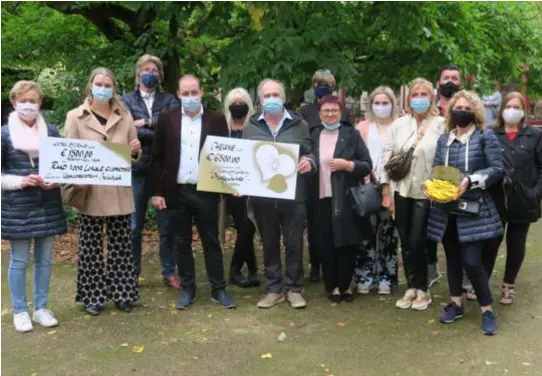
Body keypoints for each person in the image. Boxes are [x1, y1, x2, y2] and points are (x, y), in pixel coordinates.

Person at [151, 74, 235, 309]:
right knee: (181, 242)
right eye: (185, 93)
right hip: (175, 191)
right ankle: (188, 289)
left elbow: (225, 157)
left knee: (212, 241)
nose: (190, 97)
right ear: (178, 94)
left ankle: (219, 289)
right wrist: (157, 192)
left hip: (205, 191)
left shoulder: (217, 119)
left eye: (194, 92)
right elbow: (156, 159)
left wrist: (230, 186)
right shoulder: (166, 119)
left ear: (202, 92)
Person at [64, 67, 142, 316]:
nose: (103, 88)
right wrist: (76, 179)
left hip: (119, 191)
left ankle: (123, 294)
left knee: (121, 245)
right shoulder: (75, 117)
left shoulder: (125, 115)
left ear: (113, 88)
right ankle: (92, 297)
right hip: (91, 192)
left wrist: (135, 150)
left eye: (108, 85)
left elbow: (133, 154)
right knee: (90, 247)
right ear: (90, 86)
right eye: (99, 83)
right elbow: (69, 155)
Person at [427, 90, 504, 335]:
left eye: (466, 108)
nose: (461, 111)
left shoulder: (485, 136)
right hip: (446, 209)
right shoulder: (443, 140)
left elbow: (496, 169)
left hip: (475, 209)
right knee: (452, 259)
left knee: (472, 262)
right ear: (450, 112)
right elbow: (436, 170)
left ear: (475, 112)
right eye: (457, 107)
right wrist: (431, 188)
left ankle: (487, 309)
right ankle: (456, 304)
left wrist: (470, 181)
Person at [243, 78, 315, 309]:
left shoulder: (300, 124)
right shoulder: (251, 125)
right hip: (263, 197)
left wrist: (310, 162)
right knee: (269, 242)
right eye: (267, 96)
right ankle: (274, 289)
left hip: (294, 195)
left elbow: (311, 152)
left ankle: (294, 288)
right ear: (259, 100)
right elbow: (245, 160)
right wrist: (239, 184)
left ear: (283, 98)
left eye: (276, 95)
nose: (272, 100)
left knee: (294, 242)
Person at [2, 81, 67, 332]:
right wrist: (21, 181)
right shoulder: (4, 134)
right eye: (23, 100)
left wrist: (55, 180)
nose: (28, 105)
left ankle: (41, 308)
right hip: (17, 207)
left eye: (33, 101)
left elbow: (63, 165)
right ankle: (20, 310)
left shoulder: (51, 132)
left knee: (45, 260)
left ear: (40, 103)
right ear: (14, 102)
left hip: (47, 204)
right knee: (19, 260)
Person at [380, 77, 445, 311]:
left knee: (419, 239)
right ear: (408, 100)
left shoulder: (440, 124)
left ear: (431, 98)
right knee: (406, 241)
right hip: (402, 189)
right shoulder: (399, 125)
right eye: (415, 95)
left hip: (426, 192)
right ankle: (412, 286)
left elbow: (445, 157)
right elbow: (387, 155)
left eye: (423, 95)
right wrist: (385, 189)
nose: (419, 99)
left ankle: (424, 288)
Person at [121, 54, 180, 289]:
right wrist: (154, 126)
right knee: (134, 226)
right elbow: (125, 130)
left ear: (161, 74)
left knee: (167, 226)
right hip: (135, 169)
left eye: (155, 70)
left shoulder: (170, 99)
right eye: (146, 69)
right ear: (138, 73)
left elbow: (172, 128)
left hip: (163, 171)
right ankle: (132, 273)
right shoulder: (124, 100)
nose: (151, 73)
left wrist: (142, 124)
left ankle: (169, 271)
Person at [311, 95, 372, 303]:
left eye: (334, 110)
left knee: (346, 242)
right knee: (326, 242)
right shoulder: (313, 135)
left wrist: (348, 165)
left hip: (344, 197)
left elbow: (367, 164)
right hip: (320, 197)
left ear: (341, 113)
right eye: (326, 110)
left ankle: (345, 286)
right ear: (319, 114)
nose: (330, 114)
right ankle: (332, 286)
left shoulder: (351, 134)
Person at [489, 92, 542, 305]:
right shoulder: (492, 134)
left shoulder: (534, 135)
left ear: (523, 111)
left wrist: (536, 192)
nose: (512, 110)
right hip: (497, 197)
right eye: (508, 106)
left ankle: (508, 285)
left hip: (524, 198)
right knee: (491, 241)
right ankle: (481, 281)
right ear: (502, 110)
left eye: (516, 106)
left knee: (516, 243)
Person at [300, 69, 351, 283]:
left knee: (339, 221)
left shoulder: (343, 111)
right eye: (319, 82)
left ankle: (340, 266)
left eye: (327, 83)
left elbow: (349, 139)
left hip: (339, 177)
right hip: (314, 178)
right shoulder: (305, 111)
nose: (323, 86)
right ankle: (315, 264)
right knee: (315, 223)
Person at [355, 86, 400, 295]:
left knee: (388, 233)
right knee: (366, 232)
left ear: (392, 104)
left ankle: (387, 277)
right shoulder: (363, 127)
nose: (381, 107)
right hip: (366, 184)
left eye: (385, 103)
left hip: (391, 185)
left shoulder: (399, 126)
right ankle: (365, 275)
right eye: (377, 103)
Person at [426, 64, 463, 288]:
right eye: (446, 77)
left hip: (459, 179)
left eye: (454, 78)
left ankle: (461, 273)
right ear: (438, 83)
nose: (450, 81)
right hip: (431, 176)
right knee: (429, 226)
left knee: (458, 228)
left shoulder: (467, 109)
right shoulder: (429, 112)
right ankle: (431, 267)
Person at [223, 88, 260, 288]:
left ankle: (247, 270)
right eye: (234, 101)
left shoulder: (255, 127)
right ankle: (238, 270)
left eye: (242, 101)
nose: (238, 105)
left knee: (249, 227)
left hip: (255, 186)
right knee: (245, 227)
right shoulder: (223, 128)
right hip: (232, 188)